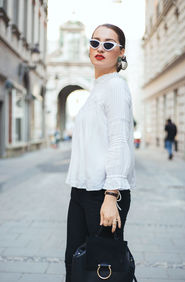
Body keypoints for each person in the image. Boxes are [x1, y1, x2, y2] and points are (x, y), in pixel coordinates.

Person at [64, 23, 136, 282]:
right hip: (83, 192)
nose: (100, 48)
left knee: (100, 272)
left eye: (108, 44)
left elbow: (119, 140)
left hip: (103, 194)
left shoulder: (116, 86)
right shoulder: (99, 88)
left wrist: (111, 194)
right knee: (77, 268)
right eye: (95, 42)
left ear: (121, 52)